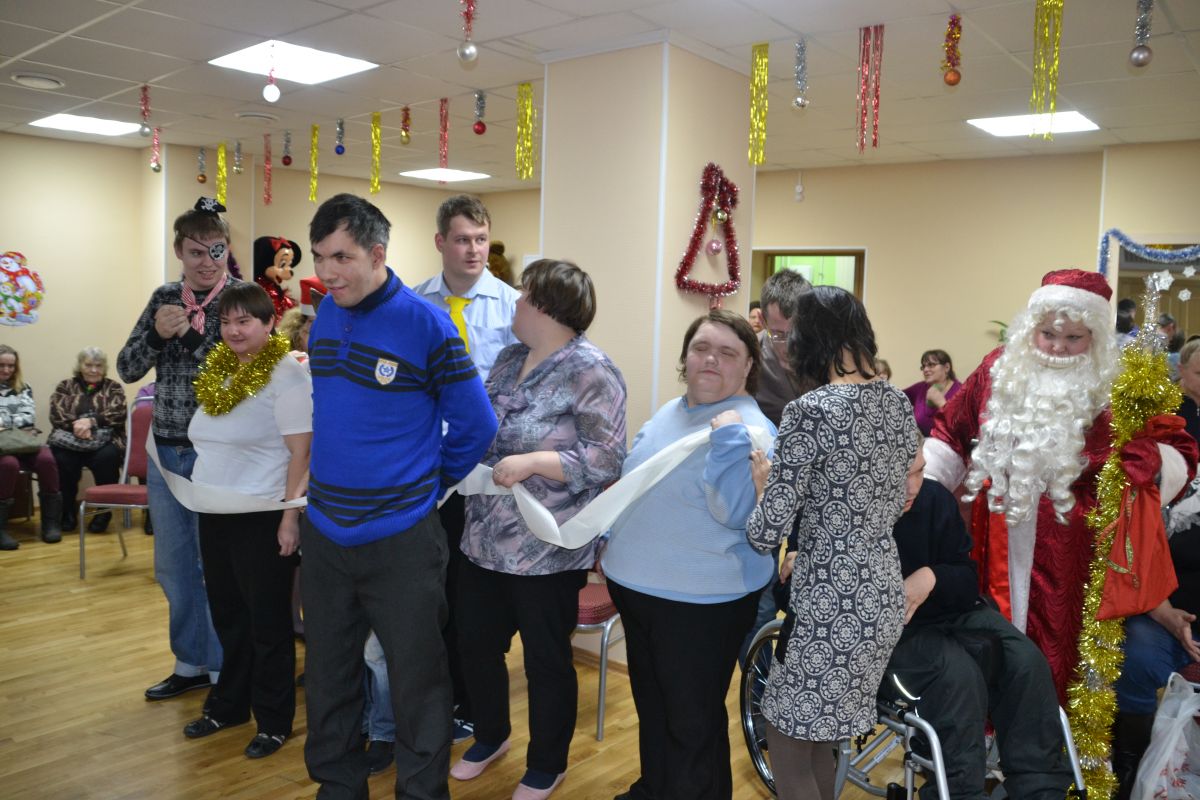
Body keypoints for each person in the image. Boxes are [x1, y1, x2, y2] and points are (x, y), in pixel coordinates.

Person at [301, 193, 496, 800]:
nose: (327, 272)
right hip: (325, 533)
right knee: (328, 677)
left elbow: (477, 425)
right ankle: (337, 787)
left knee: (418, 685)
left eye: (341, 257)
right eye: (319, 257)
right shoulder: (326, 313)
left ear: (377, 253)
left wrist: (429, 486)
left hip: (401, 541)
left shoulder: (426, 324)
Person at [923, 269, 1195, 701]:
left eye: (1074, 338)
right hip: (995, 535)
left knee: (1063, 652)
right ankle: (992, 728)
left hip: (1077, 547)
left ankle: (1055, 733)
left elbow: (1179, 449)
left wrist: (1155, 462)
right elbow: (950, 433)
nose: (1056, 347)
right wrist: (923, 493)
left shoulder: (1117, 384)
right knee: (990, 642)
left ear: (1096, 338)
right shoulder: (998, 369)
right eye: (1048, 334)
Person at [451, 259, 627, 800]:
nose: (516, 301)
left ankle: (547, 764)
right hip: (482, 535)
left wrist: (534, 462)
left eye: (524, 294)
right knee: (475, 644)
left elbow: (606, 457)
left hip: (546, 547)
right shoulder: (509, 358)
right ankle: (490, 735)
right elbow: (483, 427)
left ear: (548, 307)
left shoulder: (592, 370)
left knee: (546, 660)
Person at [746, 285, 919, 800]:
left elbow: (765, 532)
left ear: (808, 339)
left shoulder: (810, 411)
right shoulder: (897, 403)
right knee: (821, 739)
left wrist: (763, 487)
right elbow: (893, 501)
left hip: (829, 600)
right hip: (881, 592)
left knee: (787, 743)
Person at [602, 309, 775, 800]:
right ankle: (654, 788)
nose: (711, 359)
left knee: (691, 724)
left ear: (748, 367)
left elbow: (735, 513)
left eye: (727, 353)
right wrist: (608, 536)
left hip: (700, 605)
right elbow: (635, 483)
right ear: (685, 357)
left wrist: (728, 439)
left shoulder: (753, 430)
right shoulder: (669, 412)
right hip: (638, 591)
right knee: (655, 709)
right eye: (701, 348)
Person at [882, 446, 1073, 800]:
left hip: (954, 613)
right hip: (890, 636)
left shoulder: (933, 499)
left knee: (1026, 662)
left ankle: (1041, 790)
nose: (912, 486)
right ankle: (959, 793)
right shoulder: (851, 509)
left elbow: (966, 579)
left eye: (919, 471)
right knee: (958, 678)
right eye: (901, 474)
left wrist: (932, 578)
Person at [180, 282, 311, 760]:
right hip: (215, 510)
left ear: (270, 323)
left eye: (245, 321)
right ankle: (230, 705)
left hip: (262, 514)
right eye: (226, 322)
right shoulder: (220, 367)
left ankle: (273, 721)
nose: (234, 331)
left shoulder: (286, 375)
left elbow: (302, 453)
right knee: (229, 615)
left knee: (267, 623)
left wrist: (290, 517)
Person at [118, 196, 238, 702]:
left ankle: (225, 667)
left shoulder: (243, 300)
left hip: (220, 455)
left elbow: (244, 374)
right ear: (178, 252)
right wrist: (154, 335)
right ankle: (190, 661)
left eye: (216, 250)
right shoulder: (164, 297)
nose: (207, 262)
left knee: (217, 567)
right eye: (195, 252)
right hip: (167, 454)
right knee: (173, 565)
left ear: (227, 248)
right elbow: (127, 367)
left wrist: (187, 337)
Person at [413, 194, 519, 744]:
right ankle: (438, 693)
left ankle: (472, 701)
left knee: (469, 593)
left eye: (480, 239)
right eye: (462, 240)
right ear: (440, 242)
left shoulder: (512, 307)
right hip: (429, 466)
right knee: (430, 585)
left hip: (485, 472)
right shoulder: (415, 303)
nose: (473, 250)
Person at [1110, 337, 1200, 800]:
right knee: (1139, 658)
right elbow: (1142, 550)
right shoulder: (1171, 466)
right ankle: (1129, 767)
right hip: (1166, 607)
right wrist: (1163, 611)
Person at [48, 347, 127, 533]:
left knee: (108, 458)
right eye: (88, 365)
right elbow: (56, 414)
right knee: (62, 460)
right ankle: (67, 512)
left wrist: (91, 421)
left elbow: (119, 413)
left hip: (105, 441)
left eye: (98, 366)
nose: (93, 370)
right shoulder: (65, 386)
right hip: (70, 440)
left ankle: (103, 512)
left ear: (104, 368)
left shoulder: (113, 387)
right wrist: (78, 427)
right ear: (80, 366)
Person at [0, 344, 61, 549]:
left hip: (24, 441)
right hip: (3, 446)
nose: (6, 370)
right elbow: (23, 420)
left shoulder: (23, 387)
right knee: (8, 465)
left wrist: (5, 423)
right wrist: (17, 423)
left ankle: (50, 523)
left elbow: (29, 417)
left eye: (11, 366)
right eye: (1, 365)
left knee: (46, 459)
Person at [902, 349, 961, 436]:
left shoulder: (960, 391)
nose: (925, 370)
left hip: (950, 443)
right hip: (922, 442)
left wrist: (942, 404)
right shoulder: (920, 388)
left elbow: (962, 428)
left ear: (946, 367)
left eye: (931, 365)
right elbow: (895, 397)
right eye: (923, 366)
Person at [252, 235, 299, 324]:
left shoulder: (274, 288)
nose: (289, 270)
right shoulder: (261, 293)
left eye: (289, 264)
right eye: (283, 264)